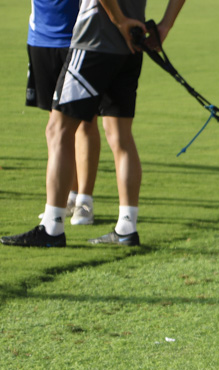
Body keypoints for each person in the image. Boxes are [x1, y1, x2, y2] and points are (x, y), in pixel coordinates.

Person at [1, 0, 187, 249]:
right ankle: (126, 227)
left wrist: (119, 19)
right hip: (130, 45)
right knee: (120, 136)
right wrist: (164, 26)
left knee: (57, 130)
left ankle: (52, 227)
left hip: (94, 41)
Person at [25, 0, 101, 228]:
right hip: (41, 38)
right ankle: (69, 196)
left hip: (81, 39)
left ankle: (85, 202)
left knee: (86, 121)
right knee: (56, 123)